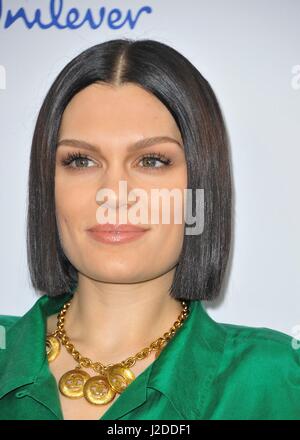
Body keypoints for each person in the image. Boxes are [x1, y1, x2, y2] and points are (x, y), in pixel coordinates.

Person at [0, 38, 300, 420]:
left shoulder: (281, 383)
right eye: (81, 161)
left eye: (152, 161)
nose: (113, 194)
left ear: (200, 187)